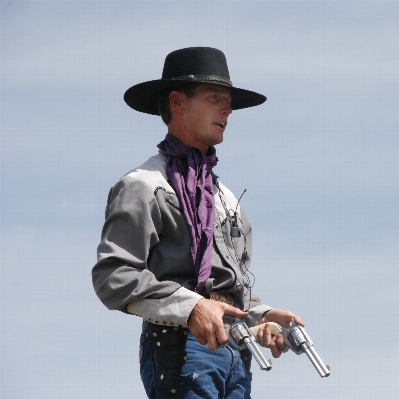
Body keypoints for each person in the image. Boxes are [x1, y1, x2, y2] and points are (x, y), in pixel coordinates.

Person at [92, 47, 303, 399]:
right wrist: (192, 307)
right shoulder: (144, 185)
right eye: (214, 97)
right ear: (178, 101)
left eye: (229, 102)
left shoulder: (227, 200)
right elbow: (114, 275)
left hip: (236, 354)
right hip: (180, 348)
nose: (228, 109)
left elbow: (229, 290)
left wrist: (261, 318)